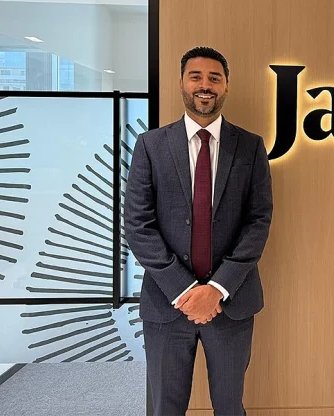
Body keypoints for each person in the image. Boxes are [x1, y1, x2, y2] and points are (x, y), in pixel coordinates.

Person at [124, 46, 273, 416]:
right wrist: (186, 290)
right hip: (167, 303)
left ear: (226, 86)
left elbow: (258, 222)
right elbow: (138, 224)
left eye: (214, 78)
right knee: (165, 408)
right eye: (196, 77)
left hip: (231, 303)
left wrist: (217, 289)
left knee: (230, 406)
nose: (205, 85)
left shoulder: (250, 147)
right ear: (182, 83)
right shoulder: (151, 146)